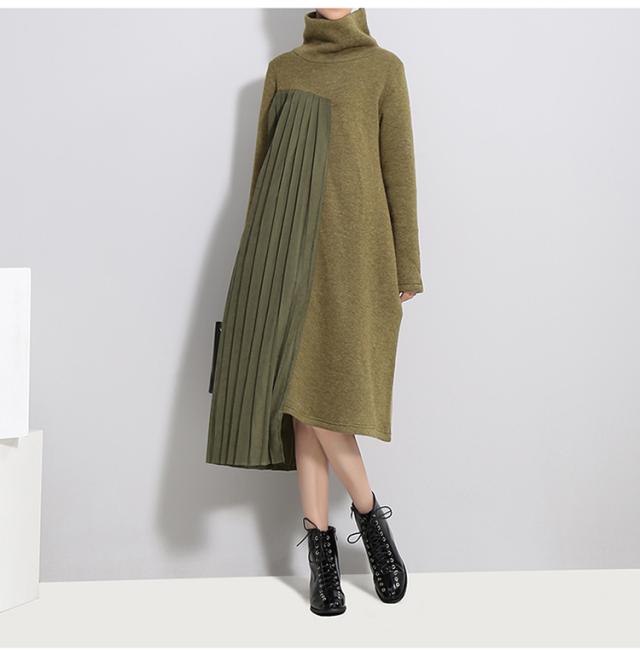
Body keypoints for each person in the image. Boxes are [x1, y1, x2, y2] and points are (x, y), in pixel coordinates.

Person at [206, 7, 424, 616]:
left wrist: (407, 266)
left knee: (324, 403)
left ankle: (366, 517)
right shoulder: (285, 69)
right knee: (301, 405)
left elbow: (399, 171)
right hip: (284, 260)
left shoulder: (383, 69)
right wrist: (255, 271)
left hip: (356, 259)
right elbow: (262, 177)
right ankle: (325, 560)